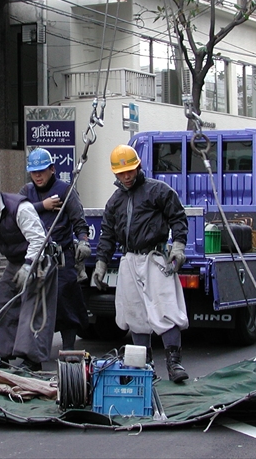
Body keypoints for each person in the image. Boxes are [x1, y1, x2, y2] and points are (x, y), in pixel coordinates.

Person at [92, 144, 190, 383]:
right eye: (121, 173)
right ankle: (145, 367)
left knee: (165, 308)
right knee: (135, 313)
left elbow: (178, 218)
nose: (126, 177)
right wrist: (101, 265)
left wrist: (177, 248)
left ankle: (174, 363)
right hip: (129, 259)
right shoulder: (114, 202)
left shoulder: (158, 191)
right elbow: (107, 235)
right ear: (115, 173)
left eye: (130, 171)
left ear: (138, 167)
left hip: (155, 258)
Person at [0, 176, 57, 371]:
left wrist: (29, 266)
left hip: (39, 259)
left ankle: (32, 360)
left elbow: (38, 240)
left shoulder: (20, 208)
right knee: (2, 304)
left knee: (33, 309)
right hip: (15, 261)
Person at [20, 148, 91, 351]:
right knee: (35, 306)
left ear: (52, 169)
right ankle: (34, 354)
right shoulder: (26, 193)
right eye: (34, 172)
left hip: (62, 258)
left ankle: (68, 349)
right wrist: (43, 205)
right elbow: (16, 212)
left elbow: (79, 220)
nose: (38, 176)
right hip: (36, 259)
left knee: (65, 303)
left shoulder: (65, 190)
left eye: (42, 170)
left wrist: (84, 241)